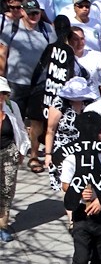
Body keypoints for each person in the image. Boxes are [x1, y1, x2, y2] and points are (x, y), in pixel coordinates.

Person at [0, 0, 56, 174]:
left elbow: (55, 55)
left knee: (37, 120)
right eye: (30, 12)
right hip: (15, 83)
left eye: (37, 13)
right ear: (22, 11)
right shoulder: (11, 28)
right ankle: (13, 153)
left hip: (39, 84)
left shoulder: (48, 30)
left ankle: (33, 155)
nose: (34, 16)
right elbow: (2, 54)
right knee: (14, 118)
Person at [60, 111, 101, 262]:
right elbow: (65, 184)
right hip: (81, 215)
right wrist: (78, 192)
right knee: (81, 257)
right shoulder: (72, 158)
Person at [0, 76, 30, 242]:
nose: (0, 97)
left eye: (3, 93)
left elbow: (20, 128)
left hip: (8, 151)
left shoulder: (12, 107)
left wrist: (22, 151)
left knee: (7, 189)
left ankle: (3, 226)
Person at [69, 26, 101, 90]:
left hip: (94, 97)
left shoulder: (94, 55)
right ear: (69, 41)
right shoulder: (66, 58)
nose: (80, 42)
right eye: (76, 39)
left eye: (82, 39)